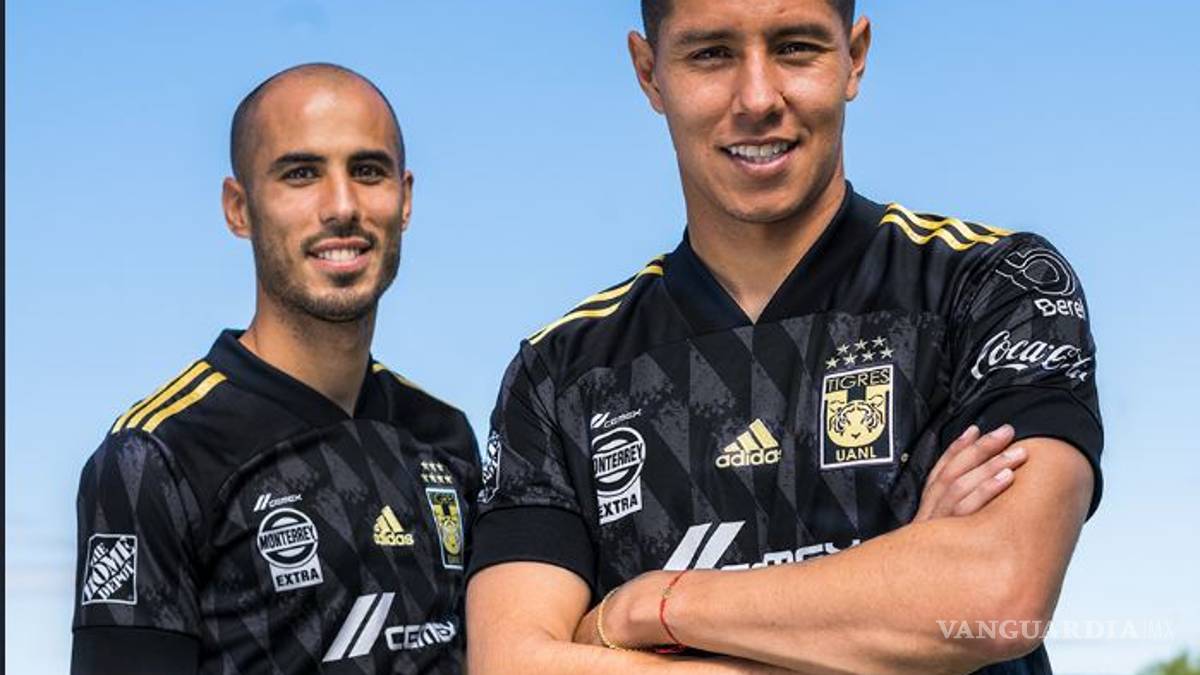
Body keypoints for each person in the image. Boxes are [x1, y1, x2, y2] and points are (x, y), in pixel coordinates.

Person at [465, 1, 1101, 673]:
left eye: (795, 47)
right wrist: (894, 609)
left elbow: (998, 593)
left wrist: (646, 607)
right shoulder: (561, 371)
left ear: (854, 56)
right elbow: (512, 663)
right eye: (710, 54)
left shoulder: (994, 286)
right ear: (649, 73)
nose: (758, 98)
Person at [71, 63, 479, 675]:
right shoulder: (156, 456)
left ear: (406, 200)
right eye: (301, 174)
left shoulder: (444, 435)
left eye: (368, 171)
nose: (342, 206)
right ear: (239, 208)